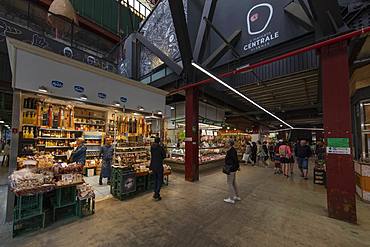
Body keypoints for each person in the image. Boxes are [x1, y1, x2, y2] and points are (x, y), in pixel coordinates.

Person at [223, 139, 240, 204]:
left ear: (229, 143)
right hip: (234, 168)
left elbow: (233, 160)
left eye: (226, 142)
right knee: (233, 182)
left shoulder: (230, 151)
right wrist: (238, 167)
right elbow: (236, 159)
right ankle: (237, 196)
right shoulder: (233, 150)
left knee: (229, 183)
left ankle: (231, 198)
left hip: (231, 169)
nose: (225, 143)